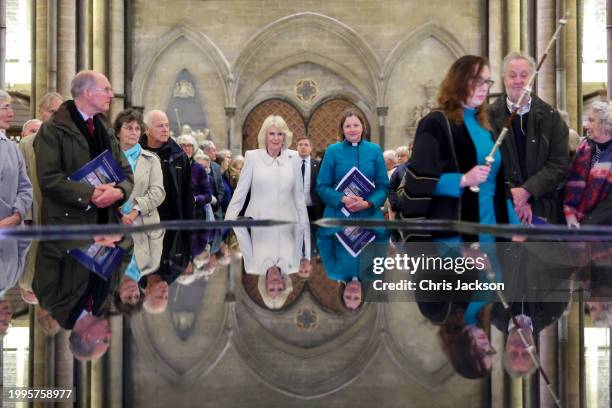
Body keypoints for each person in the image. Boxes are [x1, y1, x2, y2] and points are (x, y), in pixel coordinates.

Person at [397, 55, 518, 239]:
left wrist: (515, 227)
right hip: (454, 237)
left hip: (493, 231)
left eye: (487, 81)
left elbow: (499, 184)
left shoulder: (486, 127)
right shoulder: (435, 124)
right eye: (477, 80)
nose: (484, 87)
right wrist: (463, 180)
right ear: (458, 81)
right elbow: (417, 184)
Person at [34, 71, 133, 225]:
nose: (111, 95)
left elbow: (126, 172)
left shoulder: (106, 129)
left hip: (107, 223)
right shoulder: (53, 129)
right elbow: (49, 179)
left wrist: (119, 191)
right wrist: (90, 194)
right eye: (106, 89)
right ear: (88, 92)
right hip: (70, 226)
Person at [488, 51, 569, 224]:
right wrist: (512, 196)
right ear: (504, 79)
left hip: (542, 208)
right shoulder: (487, 117)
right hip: (499, 207)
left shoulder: (552, 117)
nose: (518, 81)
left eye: (524, 75)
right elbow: (485, 164)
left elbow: (559, 164)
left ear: (533, 78)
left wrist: (527, 191)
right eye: (512, 75)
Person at [225, 115, 308, 222]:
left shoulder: (294, 157)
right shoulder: (252, 157)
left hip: (287, 224)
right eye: (271, 134)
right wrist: (228, 223)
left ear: (285, 137)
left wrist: (305, 232)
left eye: (280, 134)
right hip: (258, 222)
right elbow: (240, 194)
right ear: (265, 136)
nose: (276, 138)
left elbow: (299, 198)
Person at [316, 109, 388, 219]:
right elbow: (322, 187)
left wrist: (368, 203)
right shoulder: (332, 150)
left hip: (368, 214)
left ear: (362, 127)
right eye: (347, 126)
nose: (352, 129)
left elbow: (383, 186)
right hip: (338, 213)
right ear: (342, 129)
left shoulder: (375, 150)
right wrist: (343, 199)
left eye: (356, 125)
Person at [114, 109, 165, 226]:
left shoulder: (152, 160)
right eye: (129, 128)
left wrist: (135, 211)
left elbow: (158, 192)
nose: (134, 132)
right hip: (114, 223)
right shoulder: (108, 158)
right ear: (117, 132)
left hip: (143, 225)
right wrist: (119, 215)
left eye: (137, 129)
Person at [564, 101, 612, 227]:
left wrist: (587, 226)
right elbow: (568, 183)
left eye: (591, 120)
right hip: (574, 221)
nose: (586, 125)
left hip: (602, 229)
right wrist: (570, 216)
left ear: (605, 124)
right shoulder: (582, 148)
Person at [140, 110, 193, 221]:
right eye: (160, 126)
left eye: (167, 125)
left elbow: (187, 195)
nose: (165, 130)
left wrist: (187, 232)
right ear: (147, 129)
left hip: (172, 223)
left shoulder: (179, 156)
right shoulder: (135, 153)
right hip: (142, 219)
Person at [0, 90, 33, 228]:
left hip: (9, 234)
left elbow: (25, 188)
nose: (11, 113)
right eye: (5, 107)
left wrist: (16, 216)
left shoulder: (12, 148)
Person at [177, 134, 212, 220]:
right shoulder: (172, 167)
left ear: (194, 148)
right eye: (183, 145)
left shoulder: (199, 168)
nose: (187, 148)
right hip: (176, 214)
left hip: (195, 214)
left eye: (189, 145)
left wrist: (195, 199)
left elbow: (208, 195)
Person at [296, 136, 323, 221]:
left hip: (313, 208)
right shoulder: (290, 164)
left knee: (313, 232)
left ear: (311, 148)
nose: (303, 147)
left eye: (306, 145)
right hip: (295, 209)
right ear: (297, 148)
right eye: (300, 145)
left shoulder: (318, 165)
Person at [201, 140, 225, 219]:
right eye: (213, 150)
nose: (216, 152)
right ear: (205, 151)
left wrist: (217, 201)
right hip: (201, 210)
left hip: (216, 210)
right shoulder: (196, 165)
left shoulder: (216, 166)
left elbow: (221, 188)